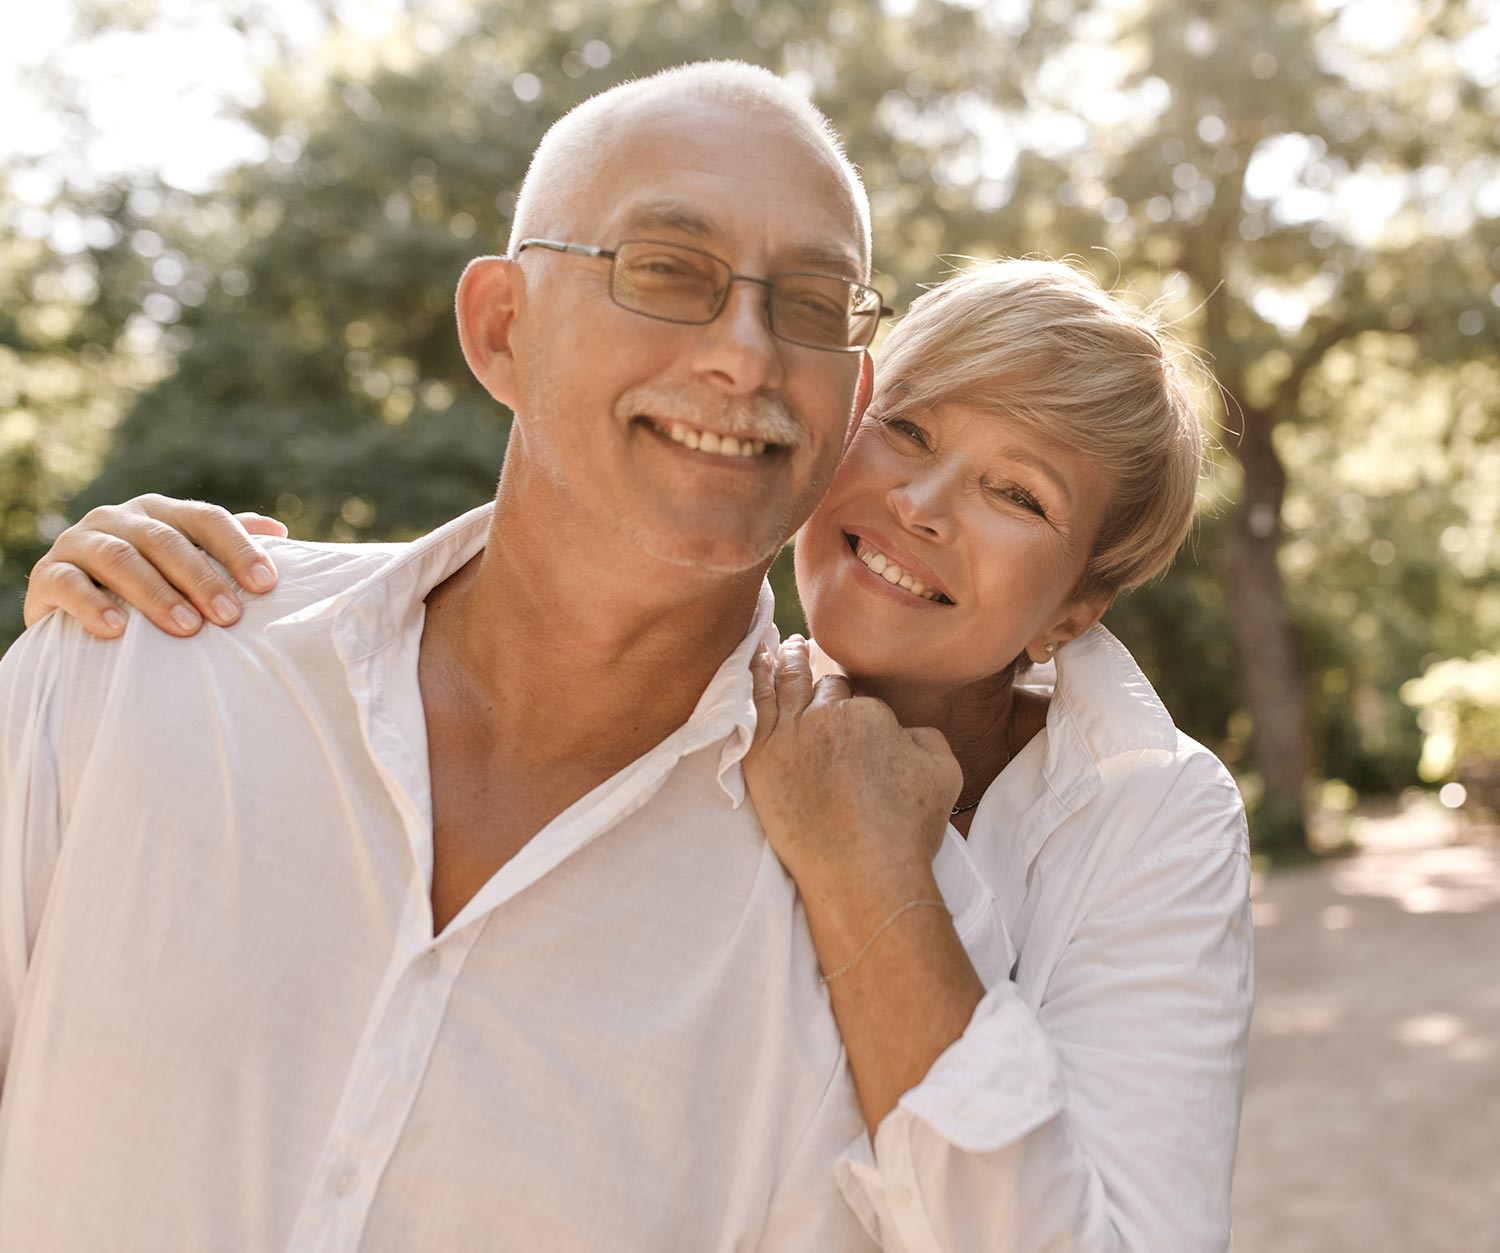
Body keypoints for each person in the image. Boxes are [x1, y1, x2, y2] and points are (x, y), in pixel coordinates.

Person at [27, 259, 1254, 1249]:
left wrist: (875, 878)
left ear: (1070, 614)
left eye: (1019, 495)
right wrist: (179, 600)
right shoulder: (702, 710)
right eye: (909, 428)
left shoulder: (1149, 812)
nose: (923, 500)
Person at [0, 61, 891, 1251]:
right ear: (500, 328)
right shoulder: (131, 666)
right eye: (668, 270)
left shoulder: (863, 917)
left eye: (815, 302)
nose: (745, 355)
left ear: (854, 395)